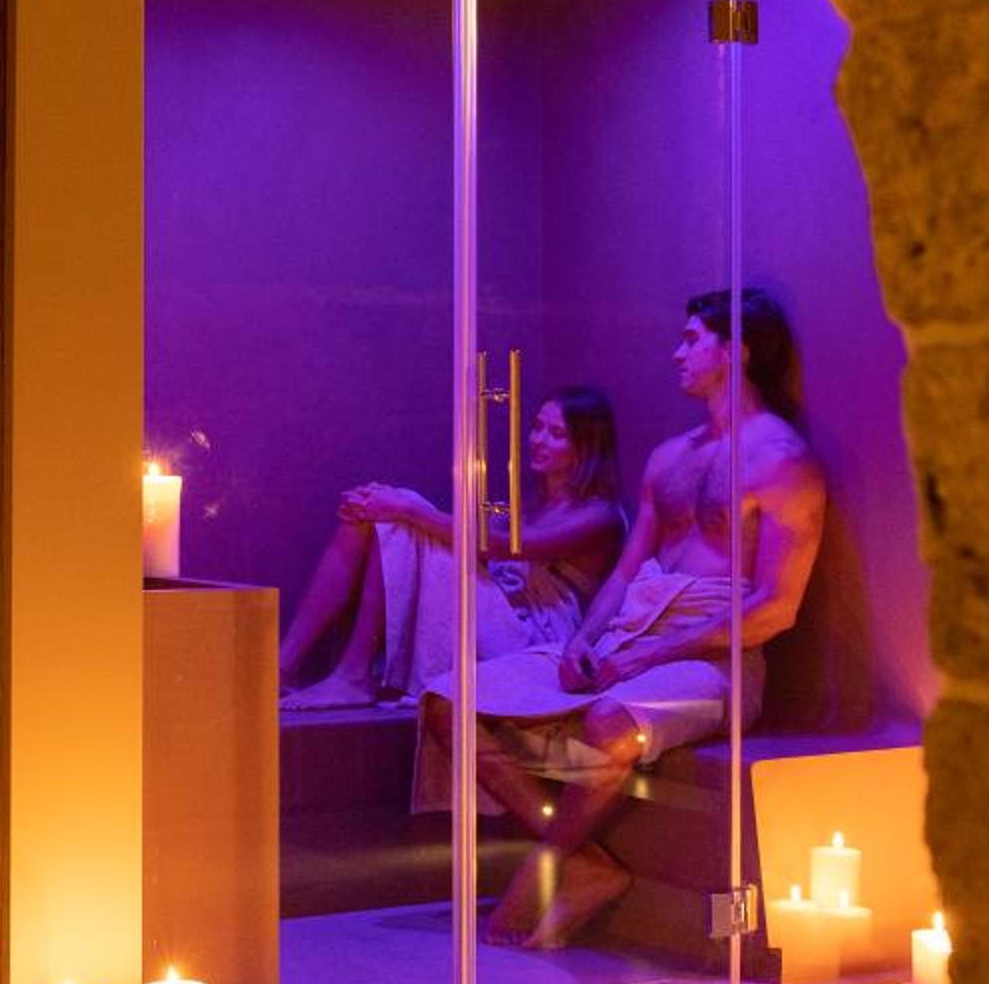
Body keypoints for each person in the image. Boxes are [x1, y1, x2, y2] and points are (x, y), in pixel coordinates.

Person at [421, 289, 825, 949]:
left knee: (609, 723)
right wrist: (581, 642)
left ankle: (542, 872)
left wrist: (644, 657)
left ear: (736, 351)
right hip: (626, 634)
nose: (677, 354)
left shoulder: (782, 460)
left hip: (716, 659)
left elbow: (775, 609)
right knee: (448, 704)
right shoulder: (670, 458)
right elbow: (627, 572)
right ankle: (585, 863)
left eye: (691, 339)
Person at [278, 387, 625, 707]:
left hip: (535, 645)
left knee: (401, 513)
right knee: (380, 515)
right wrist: (375, 503)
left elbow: (499, 547)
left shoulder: (601, 516)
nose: (538, 440)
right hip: (499, 622)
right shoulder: (530, 507)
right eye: (537, 427)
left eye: (557, 433)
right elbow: (468, 533)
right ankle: (282, 667)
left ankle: (353, 676)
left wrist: (405, 507)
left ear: (586, 446)